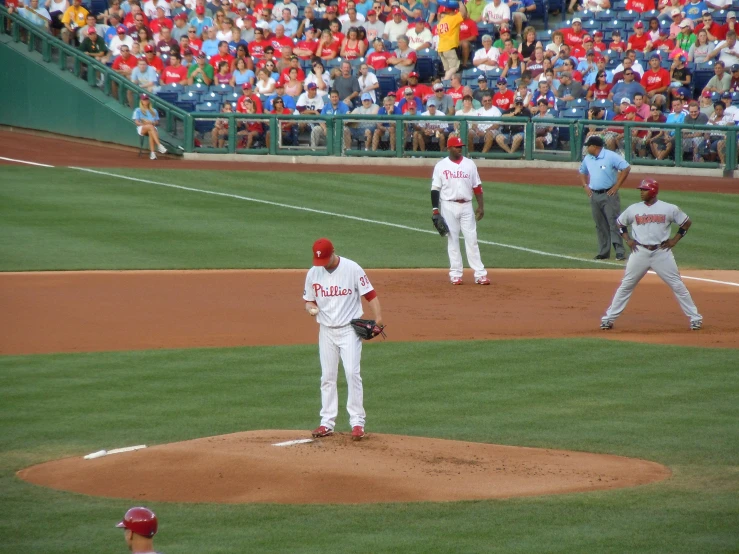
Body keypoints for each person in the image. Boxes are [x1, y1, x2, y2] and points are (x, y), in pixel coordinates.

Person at [304, 238, 382, 442]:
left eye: (325, 259)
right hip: (326, 331)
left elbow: (371, 295)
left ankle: (357, 423)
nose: (321, 264)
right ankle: (326, 422)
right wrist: (311, 308)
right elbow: (308, 299)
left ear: (333, 252)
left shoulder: (352, 268)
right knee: (327, 376)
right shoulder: (313, 272)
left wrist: (378, 319)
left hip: (349, 330)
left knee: (352, 373)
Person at [600, 179, 703, 331]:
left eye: (644, 189)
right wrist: (628, 239)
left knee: (677, 285)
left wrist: (675, 240)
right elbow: (620, 223)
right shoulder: (633, 209)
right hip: (639, 252)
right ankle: (608, 319)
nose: (641, 192)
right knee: (626, 285)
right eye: (641, 189)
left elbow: (686, 223)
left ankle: (695, 318)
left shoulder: (669, 208)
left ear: (653, 191)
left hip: (661, 253)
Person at [430, 136, 490, 285]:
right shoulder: (441, 165)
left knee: (472, 239)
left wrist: (481, 206)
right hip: (448, 205)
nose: (459, 149)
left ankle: (480, 274)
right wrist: (435, 210)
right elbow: (435, 189)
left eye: (460, 146)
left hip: (467, 205)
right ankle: (455, 274)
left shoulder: (469, 164)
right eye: (456, 147)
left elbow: (477, 186)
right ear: (449, 148)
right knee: (453, 239)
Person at [579, 135, 631, 261]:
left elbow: (626, 168)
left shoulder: (610, 156)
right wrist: (585, 185)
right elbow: (582, 171)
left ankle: (619, 251)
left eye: (588, 146)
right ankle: (603, 252)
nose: (586, 148)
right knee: (600, 224)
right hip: (594, 195)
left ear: (595, 146)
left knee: (614, 223)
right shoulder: (588, 158)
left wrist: (616, 186)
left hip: (609, 195)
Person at [435, 0, 468, 80]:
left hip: (441, 49)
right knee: (454, 68)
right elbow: (463, 14)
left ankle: (446, 84)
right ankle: (444, 80)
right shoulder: (452, 19)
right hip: (449, 48)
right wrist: (460, 2)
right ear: (451, 12)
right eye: (454, 11)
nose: (455, 12)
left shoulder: (441, 22)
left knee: (448, 70)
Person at [133, 94, 167, 160]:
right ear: (141, 101)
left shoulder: (154, 110)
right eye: (144, 99)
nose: (145, 101)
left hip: (152, 128)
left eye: (146, 99)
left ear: (148, 100)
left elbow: (157, 122)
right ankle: (159, 145)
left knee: (151, 129)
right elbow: (136, 122)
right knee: (150, 127)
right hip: (142, 128)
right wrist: (143, 123)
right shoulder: (138, 110)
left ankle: (152, 154)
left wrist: (152, 122)